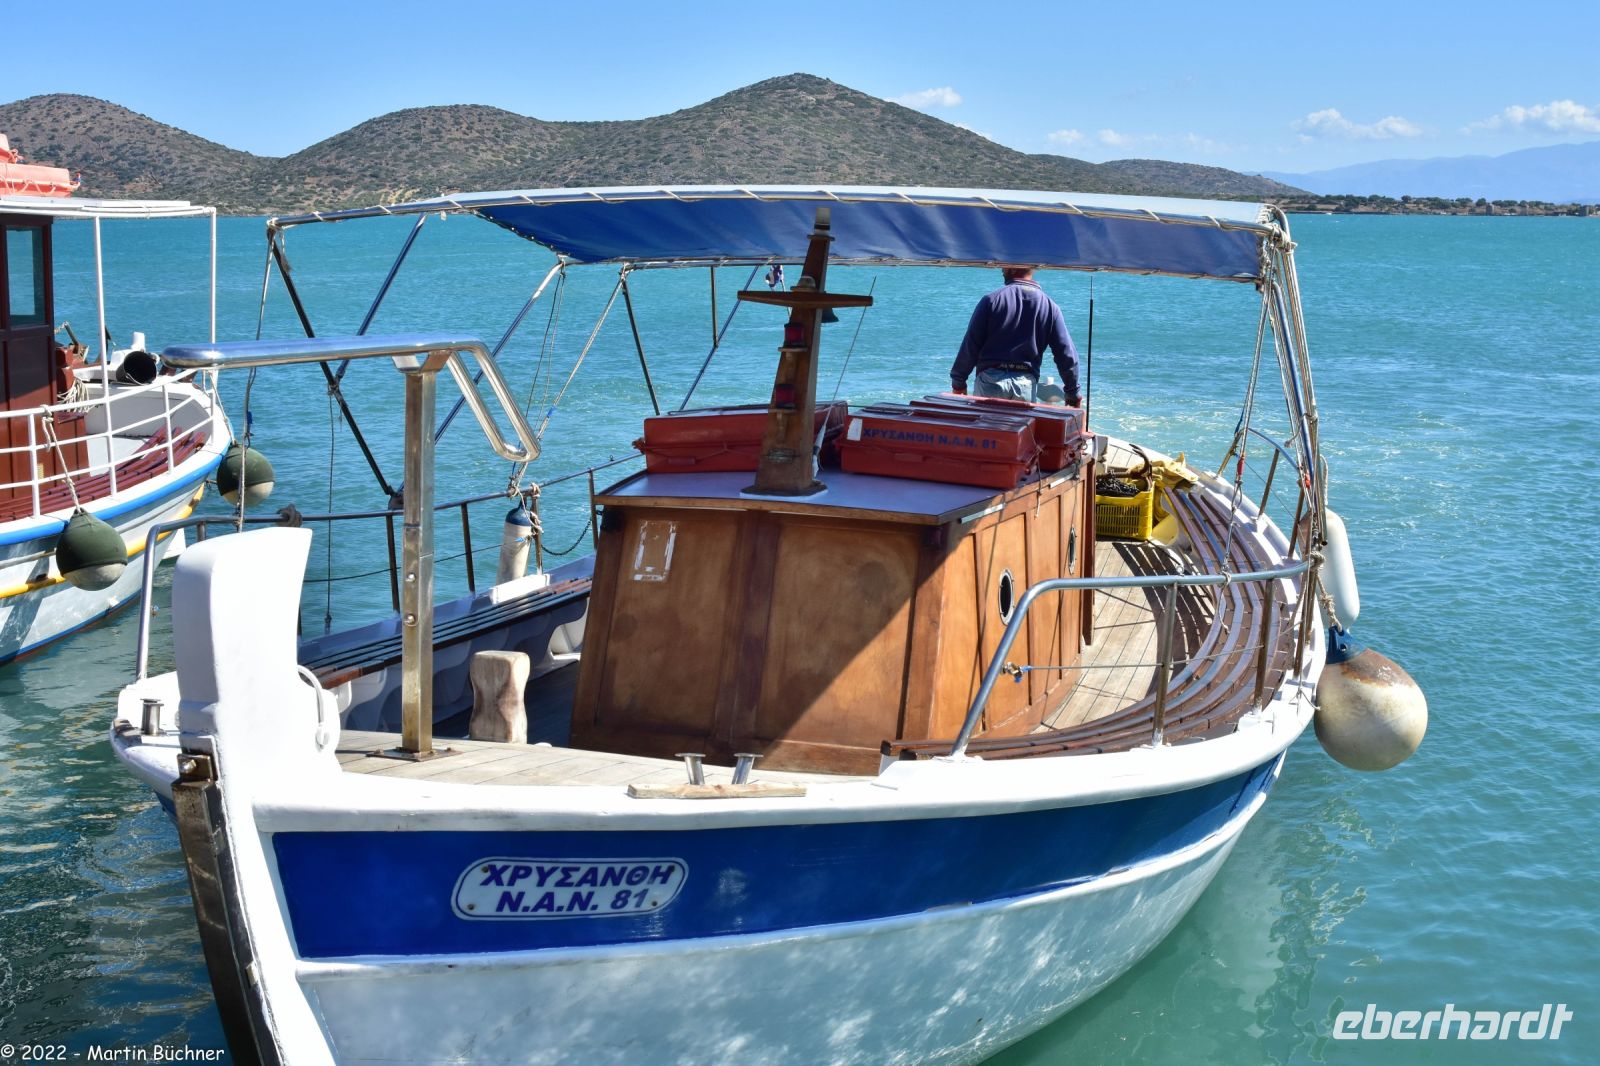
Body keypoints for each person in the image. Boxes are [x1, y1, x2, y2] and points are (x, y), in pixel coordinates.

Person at [949, 267, 1082, 406]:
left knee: (988, 428)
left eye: (1004, 265)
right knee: (1020, 428)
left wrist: (959, 382)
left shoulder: (991, 300)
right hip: (1025, 385)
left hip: (991, 381)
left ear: (1012, 268)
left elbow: (971, 344)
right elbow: (1065, 353)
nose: (1001, 269)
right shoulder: (1050, 307)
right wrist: (1072, 392)